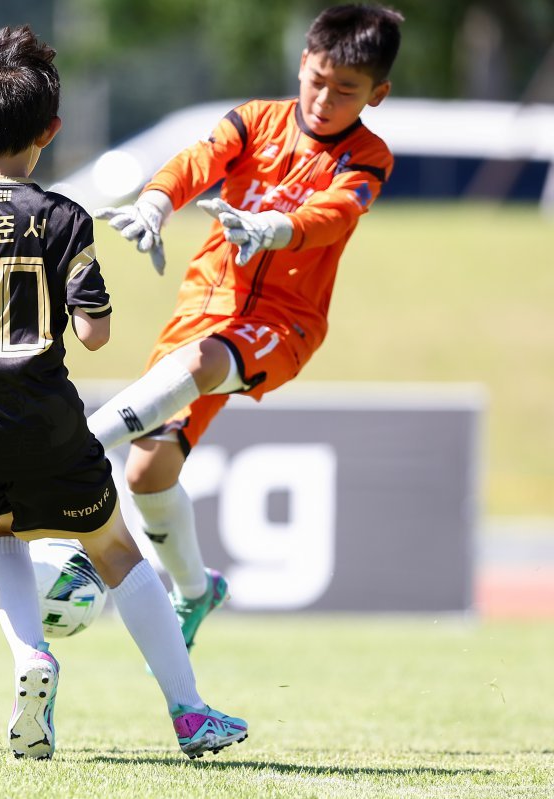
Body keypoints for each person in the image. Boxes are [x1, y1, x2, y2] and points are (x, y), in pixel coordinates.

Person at [0, 25, 246, 760]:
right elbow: (95, 333)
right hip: (48, 419)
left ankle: (30, 658)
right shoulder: (65, 218)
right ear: (50, 133)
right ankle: (190, 711)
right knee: (115, 550)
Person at [90, 4, 402, 649]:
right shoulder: (255, 120)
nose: (324, 100)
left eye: (346, 91)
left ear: (379, 95)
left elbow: (335, 215)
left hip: (283, 325)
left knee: (204, 365)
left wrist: (275, 228)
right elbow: (200, 160)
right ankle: (199, 593)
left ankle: (75, 444)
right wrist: (154, 203)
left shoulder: (368, 156)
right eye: (318, 80)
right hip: (203, 310)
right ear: (302, 64)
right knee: (147, 473)